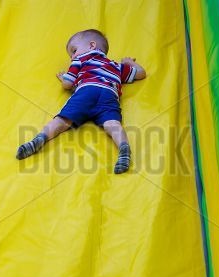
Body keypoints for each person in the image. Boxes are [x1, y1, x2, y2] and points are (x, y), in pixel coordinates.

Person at [16, 29, 146, 174]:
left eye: (74, 51)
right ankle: (124, 148)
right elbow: (141, 74)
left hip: (87, 91)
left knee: (62, 121)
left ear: (91, 45)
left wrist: (65, 78)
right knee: (112, 124)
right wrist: (129, 63)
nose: (72, 57)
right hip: (109, 94)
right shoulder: (116, 66)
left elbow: (68, 84)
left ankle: (38, 140)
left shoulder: (81, 60)